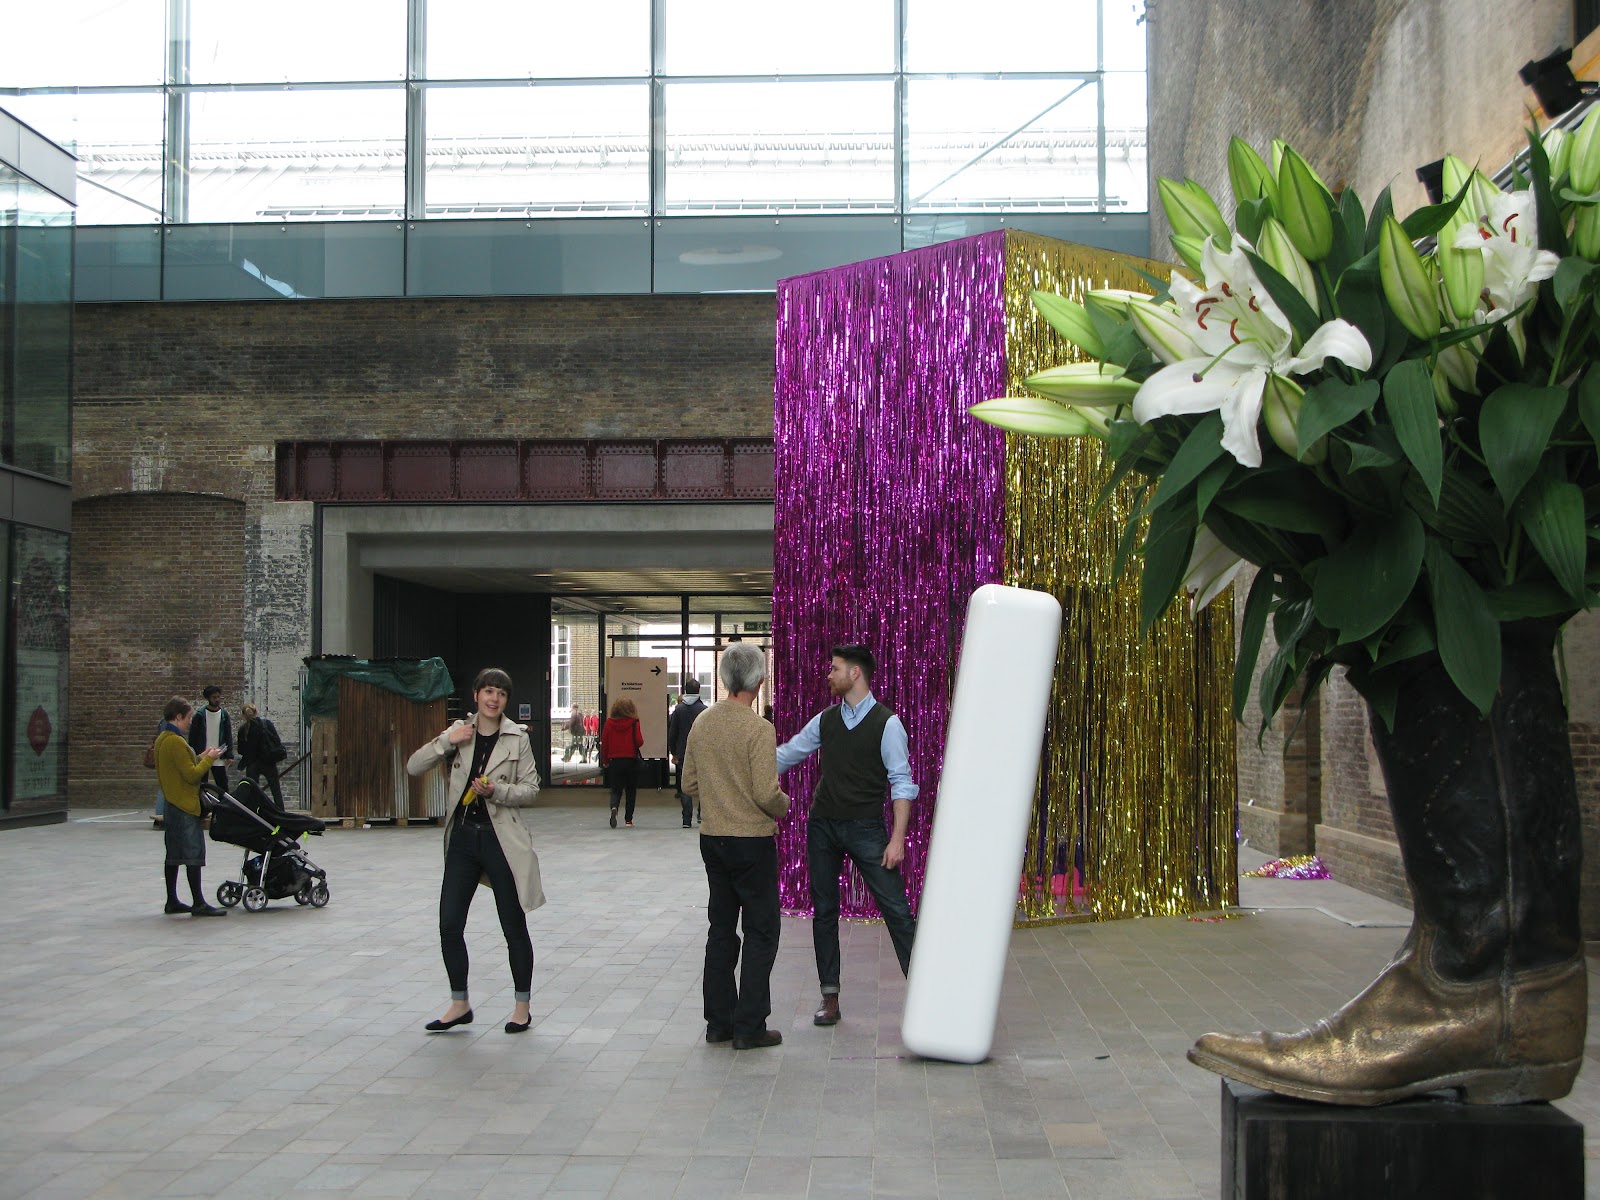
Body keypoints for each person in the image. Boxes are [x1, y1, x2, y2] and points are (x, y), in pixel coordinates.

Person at [776, 643, 919, 1027]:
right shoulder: (825, 720)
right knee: (824, 912)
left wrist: (897, 839)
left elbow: (901, 783)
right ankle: (829, 998)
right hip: (822, 824)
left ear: (855, 673)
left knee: (897, 911)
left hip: (866, 828)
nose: (829, 674)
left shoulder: (887, 724)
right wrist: (744, 760)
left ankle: (926, 995)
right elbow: (788, 754)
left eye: (835, 668)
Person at [406, 668, 544, 1035]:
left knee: (512, 925)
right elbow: (413, 765)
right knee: (449, 924)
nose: (493, 699)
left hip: (501, 840)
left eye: (500, 693)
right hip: (464, 839)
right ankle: (459, 1003)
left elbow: (531, 789)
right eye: (488, 691)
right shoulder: (459, 733)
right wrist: (447, 741)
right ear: (476, 695)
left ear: (506, 700)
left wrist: (496, 791)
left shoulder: (517, 738)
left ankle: (521, 1007)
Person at [682, 642, 790, 1049]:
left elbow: (688, 784)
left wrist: (718, 792)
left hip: (713, 839)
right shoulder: (759, 729)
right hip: (753, 842)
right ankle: (750, 1026)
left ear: (725, 678)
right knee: (762, 931)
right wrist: (785, 805)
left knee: (721, 930)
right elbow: (766, 793)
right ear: (759, 682)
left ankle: (719, 1023)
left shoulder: (703, 723)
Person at [154, 696, 227, 917]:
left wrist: (199, 756)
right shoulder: (176, 741)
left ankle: (172, 900)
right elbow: (191, 775)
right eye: (187, 718)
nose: (189, 723)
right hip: (185, 805)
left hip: (171, 803)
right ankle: (198, 902)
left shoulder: (162, 739)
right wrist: (209, 760)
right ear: (178, 717)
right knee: (193, 853)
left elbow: (180, 766)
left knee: (174, 854)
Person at [667, 679, 708, 828]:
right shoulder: (704, 710)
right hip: (701, 752)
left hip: (683, 752)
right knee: (703, 783)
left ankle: (686, 818)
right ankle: (701, 814)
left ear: (685, 690)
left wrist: (673, 752)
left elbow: (673, 733)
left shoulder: (679, 710)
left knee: (685, 784)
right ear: (698, 690)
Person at [600, 697, 644, 828]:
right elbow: (639, 741)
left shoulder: (609, 723)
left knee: (616, 789)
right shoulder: (634, 723)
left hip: (615, 761)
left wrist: (605, 760)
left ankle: (614, 807)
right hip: (631, 761)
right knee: (631, 791)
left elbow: (605, 744)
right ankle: (628, 820)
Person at [236, 703, 288, 807]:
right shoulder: (266, 724)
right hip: (269, 762)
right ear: (256, 712)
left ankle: (256, 813)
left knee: (252, 792)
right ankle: (281, 815)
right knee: (276, 791)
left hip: (252, 764)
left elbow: (240, 750)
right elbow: (276, 741)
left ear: (243, 715)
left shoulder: (243, 730)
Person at [187, 684, 234, 794]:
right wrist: (194, 754)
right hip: (203, 755)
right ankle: (203, 808)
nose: (217, 700)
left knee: (222, 785)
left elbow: (228, 735)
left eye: (218, 697)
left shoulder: (224, 715)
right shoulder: (200, 715)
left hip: (218, 754)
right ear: (208, 698)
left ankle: (223, 808)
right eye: (214, 697)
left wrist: (229, 754)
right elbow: (193, 737)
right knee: (202, 785)